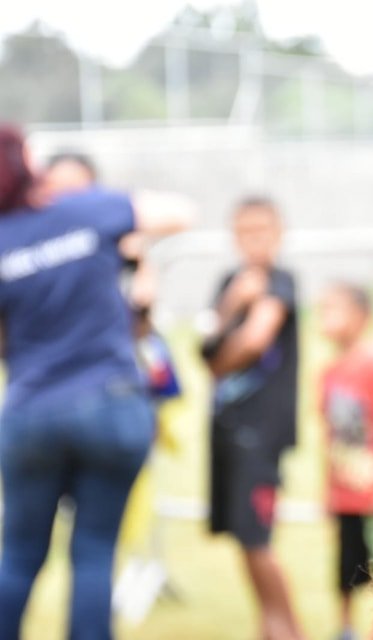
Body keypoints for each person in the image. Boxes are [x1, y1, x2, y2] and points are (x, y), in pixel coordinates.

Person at [0, 124, 194, 639]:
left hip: (31, 413)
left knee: (18, 557)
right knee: (93, 552)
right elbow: (179, 213)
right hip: (110, 404)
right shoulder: (84, 210)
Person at [201, 196, 303, 640]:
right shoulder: (230, 284)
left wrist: (224, 351)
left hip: (261, 436)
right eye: (245, 231)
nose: (254, 240)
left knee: (258, 540)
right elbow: (207, 353)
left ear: (279, 233)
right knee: (245, 540)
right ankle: (269, 628)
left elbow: (253, 342)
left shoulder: (281, 282)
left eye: (263, 229)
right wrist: (231, 303)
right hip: (227, 430)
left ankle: (290, 631)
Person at [319, 283, 373, 640]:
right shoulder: (327, 372)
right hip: (346, 494)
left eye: (336, 308)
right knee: (346, 565)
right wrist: (327, 490)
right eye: (323, 309)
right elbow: (329, 436)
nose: (326, 316)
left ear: (363, 316)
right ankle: (346, 628)